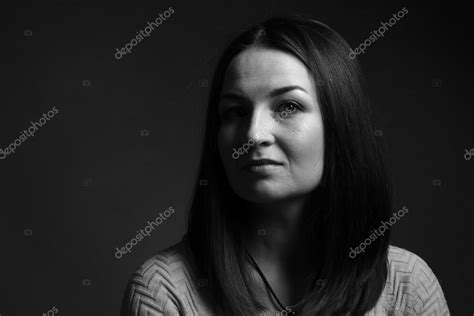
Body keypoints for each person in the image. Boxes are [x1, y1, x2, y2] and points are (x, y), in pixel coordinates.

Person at [120, 15, 450, 315]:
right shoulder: (164, 291)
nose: (253, 134)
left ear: (339, 125)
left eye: (288, 106)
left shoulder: (408, 288)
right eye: (235, 111)